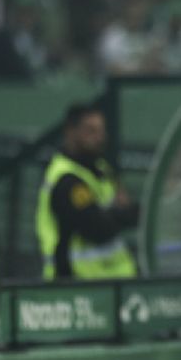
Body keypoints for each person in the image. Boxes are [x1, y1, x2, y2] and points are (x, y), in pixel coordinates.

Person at [36, 104, 139, 279]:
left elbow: (131, 211)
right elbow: (97, 228)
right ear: (70, 131)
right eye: (90, 131)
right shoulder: (66, 180)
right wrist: (120, 213)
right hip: (77, 284)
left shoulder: (102, 168)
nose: (99, 137)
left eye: (101, 130)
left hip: (116, 278)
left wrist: (115, 214)